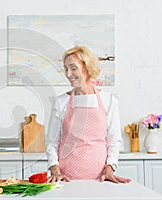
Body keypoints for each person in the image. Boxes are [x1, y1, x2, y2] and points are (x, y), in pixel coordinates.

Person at [46, 46, 131, 184]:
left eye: (73, 68)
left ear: (88, 68)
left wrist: (110, 169)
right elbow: (52, 142)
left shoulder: (109, 100)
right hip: (66, 178)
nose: (68, 74)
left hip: (101, 179)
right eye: (66, 68)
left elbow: (113, 141)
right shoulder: (60, 102)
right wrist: (55, 170)